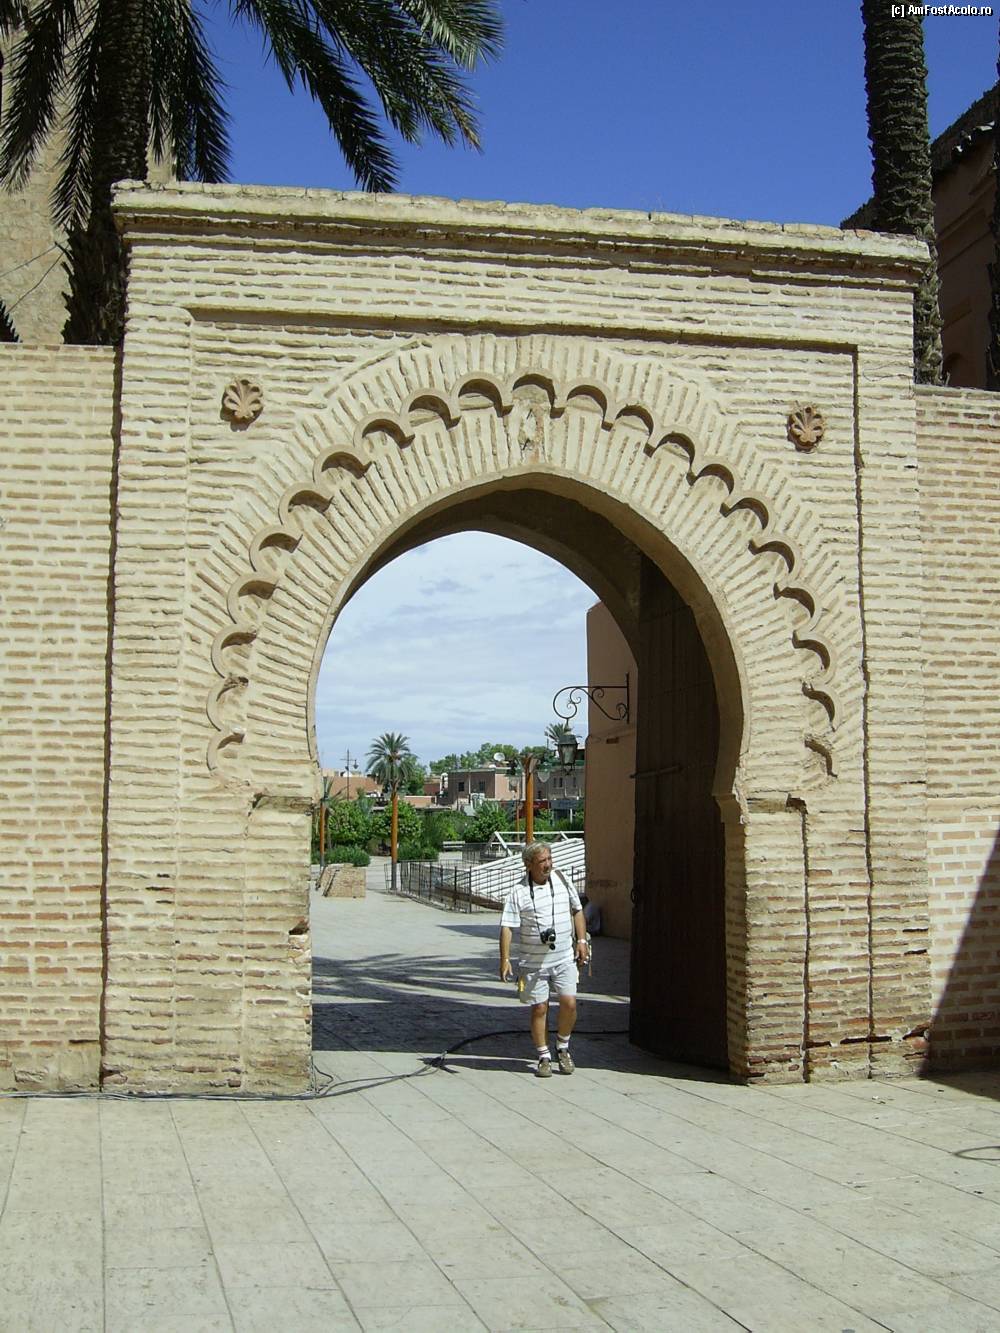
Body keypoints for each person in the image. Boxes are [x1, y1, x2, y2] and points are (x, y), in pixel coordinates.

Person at [499, 841, 588, 1077]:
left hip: (564, 957)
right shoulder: (518, 892)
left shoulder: (562, 880)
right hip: (533, 962)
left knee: (569, 1003)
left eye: (549, 859)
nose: (548, 864)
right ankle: (543, 1056)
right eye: (542, 861)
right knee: (540, 1008)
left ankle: (563, 1047)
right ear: (528, 865)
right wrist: (505, 959)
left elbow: (577, 910)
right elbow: (507, 927)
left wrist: (581, 941)